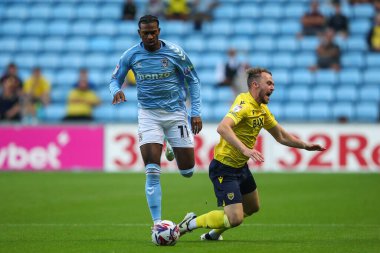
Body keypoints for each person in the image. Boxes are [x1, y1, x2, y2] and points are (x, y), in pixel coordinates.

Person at [177, 67, 326, 241]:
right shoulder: (244, 104)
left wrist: (305, 145)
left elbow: (281, 136)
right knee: (235, 218)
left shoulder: (261, 109)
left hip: (241, 167)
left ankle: (213, 234)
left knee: (252, 207)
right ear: (255, 85)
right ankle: (190, 223)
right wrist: (245, 149)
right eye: (269, 83)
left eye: (273, 84)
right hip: (224, 168)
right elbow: (223, 127)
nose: (273, 87)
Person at [109, 15, 202, 226]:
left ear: (159, 31)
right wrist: (116, 91)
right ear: (139, 33)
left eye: (153, 32)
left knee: (187, 171)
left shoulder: (175, 53)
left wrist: (194, 112)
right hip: (148, 115)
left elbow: (193, 81)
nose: (150, 36)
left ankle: (169, 143)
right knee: (152, 169)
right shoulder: (131, 55)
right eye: (145, 33)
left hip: (175, 113)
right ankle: (157, 224)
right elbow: (115, 79)